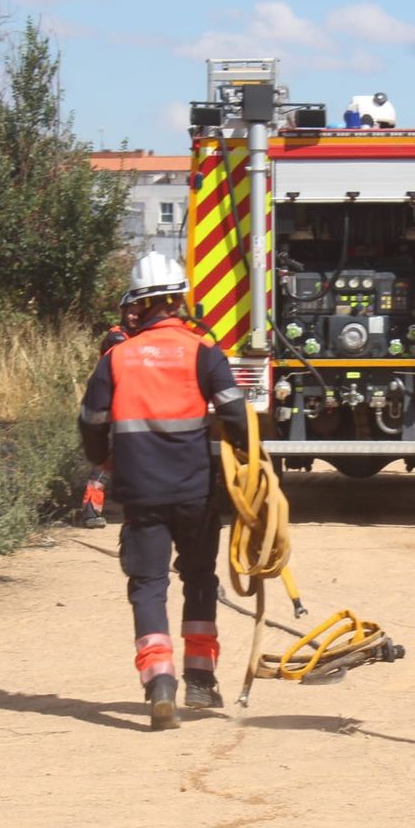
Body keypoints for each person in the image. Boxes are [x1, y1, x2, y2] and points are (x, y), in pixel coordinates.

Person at [78, 251, 249, 731]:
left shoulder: (116, 357)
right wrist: (245, 458)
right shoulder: (204, 352)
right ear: (178, 300)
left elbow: (91, 422)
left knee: (149, 585)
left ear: (140, 303)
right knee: (199, 579)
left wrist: (103, 458)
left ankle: (159, 682)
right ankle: (200, 678)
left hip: (140, 496)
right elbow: (235, 415)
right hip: (195, 493)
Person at [77, 300, 143, 529]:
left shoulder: (142, 335)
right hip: (116, 406)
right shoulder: (116, 337)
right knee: (107, 459)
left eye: (138, 313)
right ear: (123, 312)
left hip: (136, 406)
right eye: (131, 312)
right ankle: (90, 509)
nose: (134, 317)